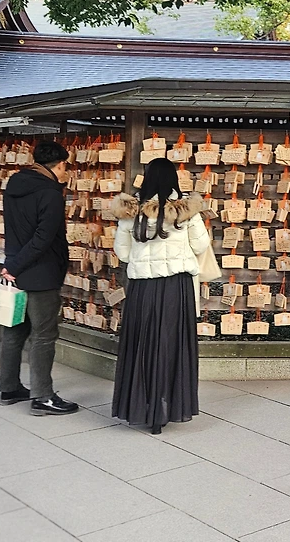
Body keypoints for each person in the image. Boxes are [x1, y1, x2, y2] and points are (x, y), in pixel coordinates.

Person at [111, 158, 212, 434]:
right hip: (176, 286)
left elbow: (123, 252)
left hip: (143, 287)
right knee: (173, 343)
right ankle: (168, 407)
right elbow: (201, 245)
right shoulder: (185, 210)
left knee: (142, 343)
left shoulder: (131, 210)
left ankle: (141, 406)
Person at [0, 140, 78, 416]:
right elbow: (43, 239)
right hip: (41, 272)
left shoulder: (14, 184)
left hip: (15, 268)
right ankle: (43, 396)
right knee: (44, 335)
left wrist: (12, 265)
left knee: (15, 330)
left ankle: (9, 387)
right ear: (59, 165)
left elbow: (13, 229)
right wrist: (17, 265)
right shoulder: (50, 193)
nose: (66, 172)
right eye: (66, 166)